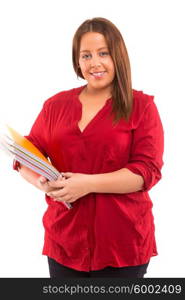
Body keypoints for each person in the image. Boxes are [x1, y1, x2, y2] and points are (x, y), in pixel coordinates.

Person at [13, 17, 164, 278]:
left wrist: (87, 184)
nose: (94, 63)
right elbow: (27, 156)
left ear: (118, 56)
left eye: (103, 53)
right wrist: (41, 182)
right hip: (64, 242)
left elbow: (145, 172)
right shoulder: (55, 106)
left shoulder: (142, 107)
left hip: (122, 245)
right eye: (86, 55)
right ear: (77, 61)